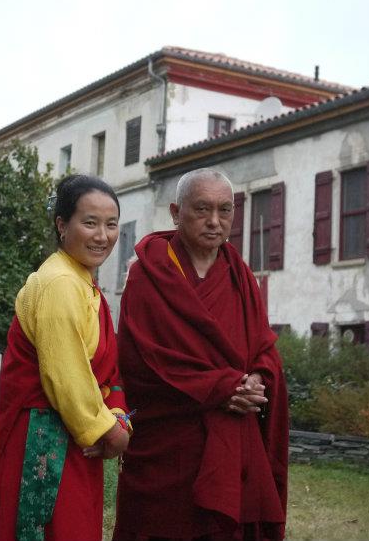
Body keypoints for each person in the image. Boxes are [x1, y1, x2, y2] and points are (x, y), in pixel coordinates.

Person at [114, 168, 289, 541]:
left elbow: (263, 346)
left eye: (225, 210)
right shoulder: (149, 275)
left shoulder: (239, 273)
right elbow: (144, 362)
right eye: (202, 210)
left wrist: (257, 379)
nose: (214, 222)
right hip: (171, 444)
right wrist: (226, 387)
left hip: (232, 439)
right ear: (176, 213)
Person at [0, 174, 132, 541]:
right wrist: (109, 431)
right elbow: (67, 378)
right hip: (46, 439)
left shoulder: (81, 281)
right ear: (62, 225)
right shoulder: (61, 283)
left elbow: (101, 373)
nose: (102, 236)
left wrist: (116, 416)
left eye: (111, 225)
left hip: (71, 435)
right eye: (89, 222)